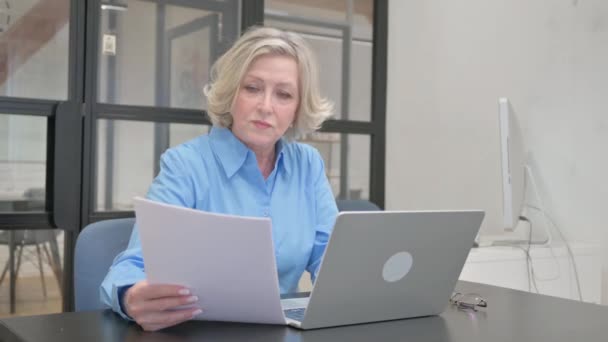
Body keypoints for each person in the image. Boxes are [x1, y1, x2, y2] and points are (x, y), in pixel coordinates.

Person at [100, 26, 338, 332]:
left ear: (297, 108)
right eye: (252, 88)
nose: (266, 106)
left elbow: (331, 262)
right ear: (231, 93)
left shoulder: (308, 165)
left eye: (284, 94)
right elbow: (132, 266)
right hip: (197, 332)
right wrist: (131, 295)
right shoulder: (185, 165)